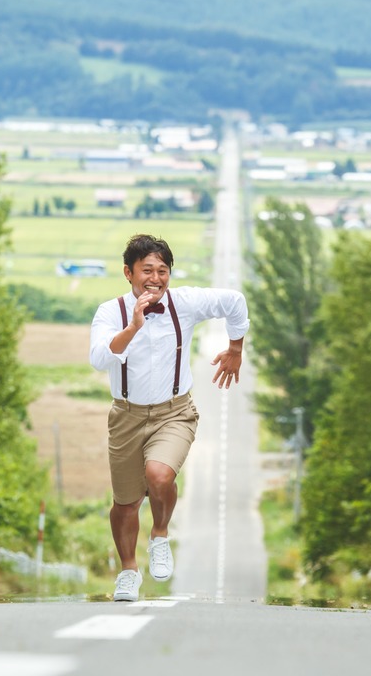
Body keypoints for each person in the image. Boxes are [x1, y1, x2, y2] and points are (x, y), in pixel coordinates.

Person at [89, 233, 249, 601]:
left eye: (163, 270)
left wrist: (235, 348)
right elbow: (99, 359)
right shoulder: (109, 312)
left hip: (174, 412)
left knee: (159, 475)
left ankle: (160, 533)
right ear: (128, 273)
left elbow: (235, 301)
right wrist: (133, 327)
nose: (156, 278)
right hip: (125, 416)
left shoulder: (186, 303)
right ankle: (129, 570)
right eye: (147, 271)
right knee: (126, 502)